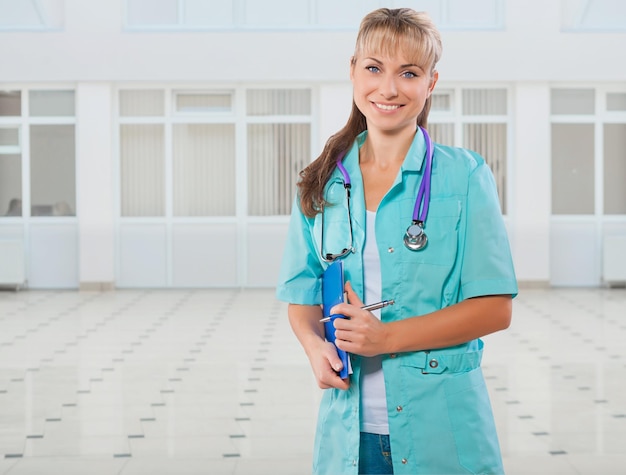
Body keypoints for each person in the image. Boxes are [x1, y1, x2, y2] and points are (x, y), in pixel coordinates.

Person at [276, 7, 517, 475]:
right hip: (348, 438)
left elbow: (495, 308)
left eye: (408, 72)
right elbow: (302, 296)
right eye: (373, 68)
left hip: (442, 431)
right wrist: (313, 345)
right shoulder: (320, 184)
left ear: (431, 82)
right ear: (352, 72)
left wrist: (385, 339)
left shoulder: (465, 176)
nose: (388, 88)